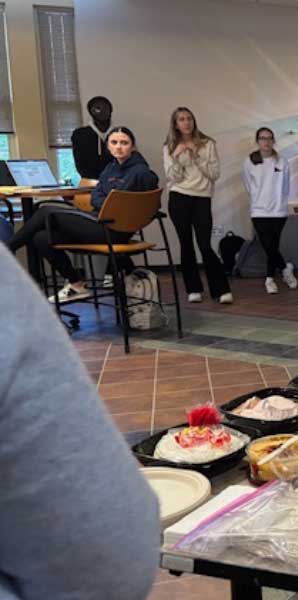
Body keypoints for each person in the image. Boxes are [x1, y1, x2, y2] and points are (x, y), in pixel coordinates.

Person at [0, 246, 159, 599]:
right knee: (45, 223)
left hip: (111, 226)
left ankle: (74, 279)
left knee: (45, 223)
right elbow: (110, 559)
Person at [7, 127, 158, 303]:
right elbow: (96, 196)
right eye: (114, 143)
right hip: (99, 222)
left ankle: (8, 249)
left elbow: (147, 204)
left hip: (116, 231)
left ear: (132, 147)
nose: (119, 147)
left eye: (124, 143)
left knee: (46, 211)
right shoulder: (110, 168)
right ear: (108, 146)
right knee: (41, 237)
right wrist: (110, 203)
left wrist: (113, 204)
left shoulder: (141, 172)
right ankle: (76, 284)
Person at [163, 106, 232, 304]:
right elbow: (173, 177)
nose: (186, 122)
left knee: (204, 244)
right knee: (186, 244)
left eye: (189, 118)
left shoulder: (207, 144)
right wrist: (176, 157)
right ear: (175, 124)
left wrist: (197, 156)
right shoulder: (168, 146)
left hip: (201, 197)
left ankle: (221, 289)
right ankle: (193, 288)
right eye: (182, 119)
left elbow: (214, 174)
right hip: (179, 197)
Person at [242, 126, 297, 295]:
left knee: (273, 245)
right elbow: (248, 185)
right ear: (257, 141)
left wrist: (280, 203)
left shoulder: (282, 161)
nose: (266, 142)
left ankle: (274, 276)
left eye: (269, 138)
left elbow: (286, 186)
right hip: (259, 211)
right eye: (262, 138)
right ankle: (280, 271)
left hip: (278, 211)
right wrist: (259, 200)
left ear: (273, 141)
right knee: (268, 246)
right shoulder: (250, 161)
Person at [71, 96, 114, 180]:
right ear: (91, 112)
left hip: (119, 184)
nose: (102, 111)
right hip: (92, 185)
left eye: (105, 107)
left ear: (111, 110)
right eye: (97, 108)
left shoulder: (120, 133)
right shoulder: (80, 135)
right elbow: (81, 165)